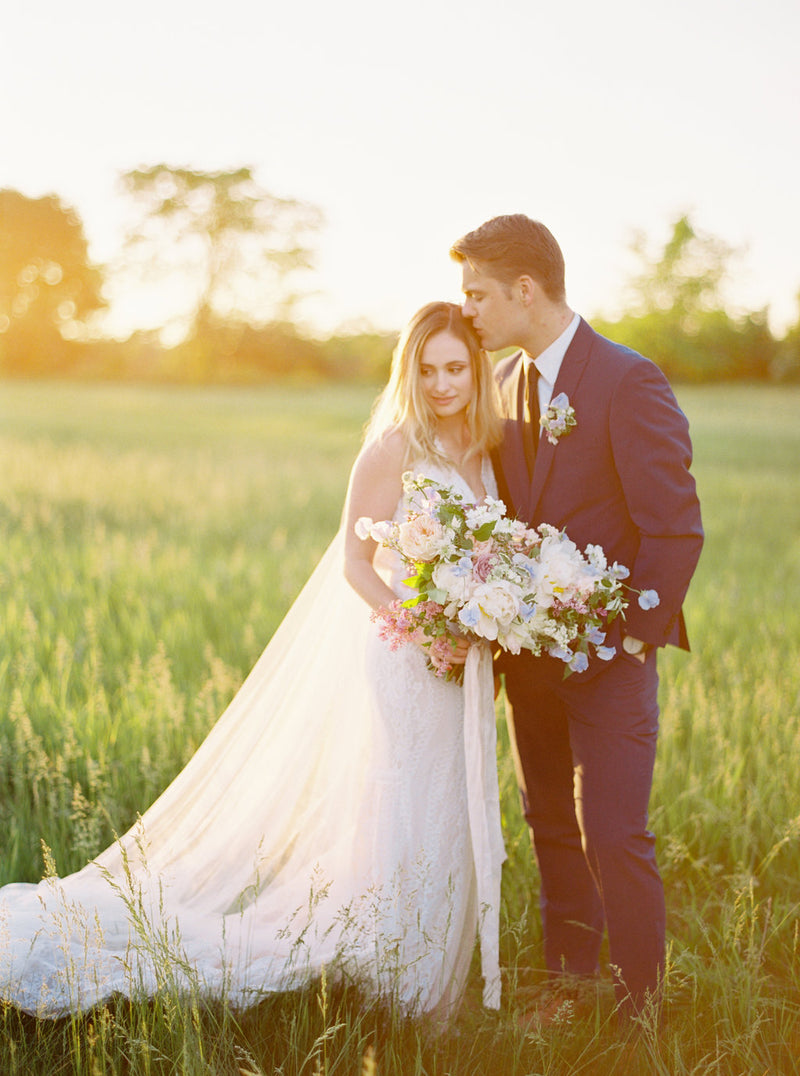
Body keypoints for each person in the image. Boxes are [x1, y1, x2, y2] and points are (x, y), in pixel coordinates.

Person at [0, 302, 506, 1020]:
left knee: (448, 807)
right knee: (405, 802)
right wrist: (419, 626)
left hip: (465, 664)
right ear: (409, 374)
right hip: (404, 654)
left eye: (455, 367)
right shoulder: (394, 448)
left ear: (476, 370)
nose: (442, 383)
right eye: (426, 370)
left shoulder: (487, 449)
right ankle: (395, 982)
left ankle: (423, 981)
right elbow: (356, 562)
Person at [450, 214, 704, 1019]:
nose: (469, 313)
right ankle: (568, 984)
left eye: (478, 294)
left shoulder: (628, 379)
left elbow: (675, 522)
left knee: (615, 836)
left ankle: (639, 1012)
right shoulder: (502, 384)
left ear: (525, 290)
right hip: (529, 660)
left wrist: (632, 634)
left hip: (612, 657)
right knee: (549, 822)